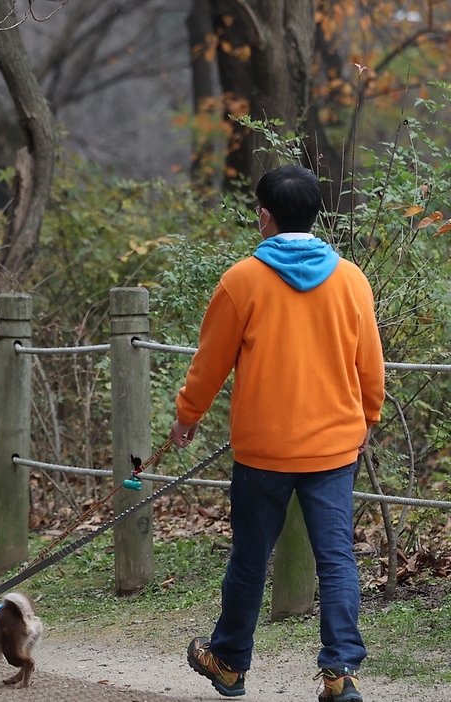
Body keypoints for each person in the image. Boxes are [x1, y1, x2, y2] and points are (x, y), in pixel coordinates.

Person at [169, 165, 384, 702]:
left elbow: (210, 363)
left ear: (264, 214)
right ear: (316, 214)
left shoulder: (242, 280)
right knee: (336, 560)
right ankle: (339, 674)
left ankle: (229, 662)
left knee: (249, 556)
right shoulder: (351, 279)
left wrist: (187, 415)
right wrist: (367, 421)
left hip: (263, 449)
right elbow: (370, 368)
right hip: (334, 446)